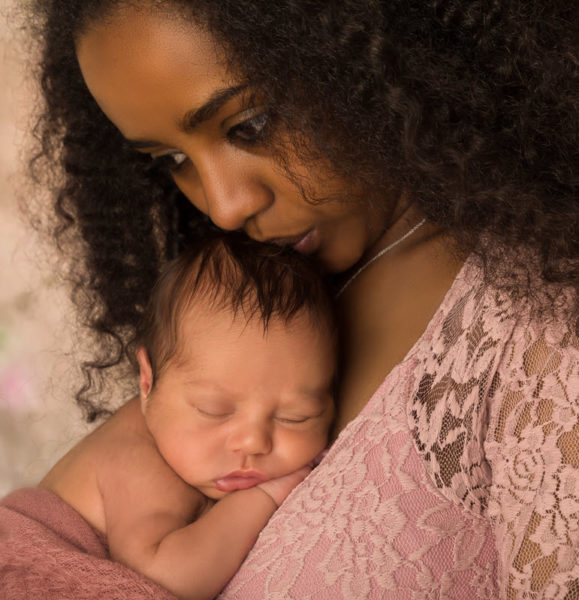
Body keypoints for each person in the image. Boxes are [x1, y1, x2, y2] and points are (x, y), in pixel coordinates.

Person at [22, 0, 578, 598]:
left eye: (250, 126)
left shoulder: (539, 336)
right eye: (174, 161)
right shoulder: (241, 306)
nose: (224, 206)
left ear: (367, 58)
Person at [38, 232, 336, 600]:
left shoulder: (185, 444)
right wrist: (264, 496)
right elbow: (164, 579)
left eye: (296, 416)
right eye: (214, 410)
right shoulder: (137, 459)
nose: (253, 442)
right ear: (147, 382)